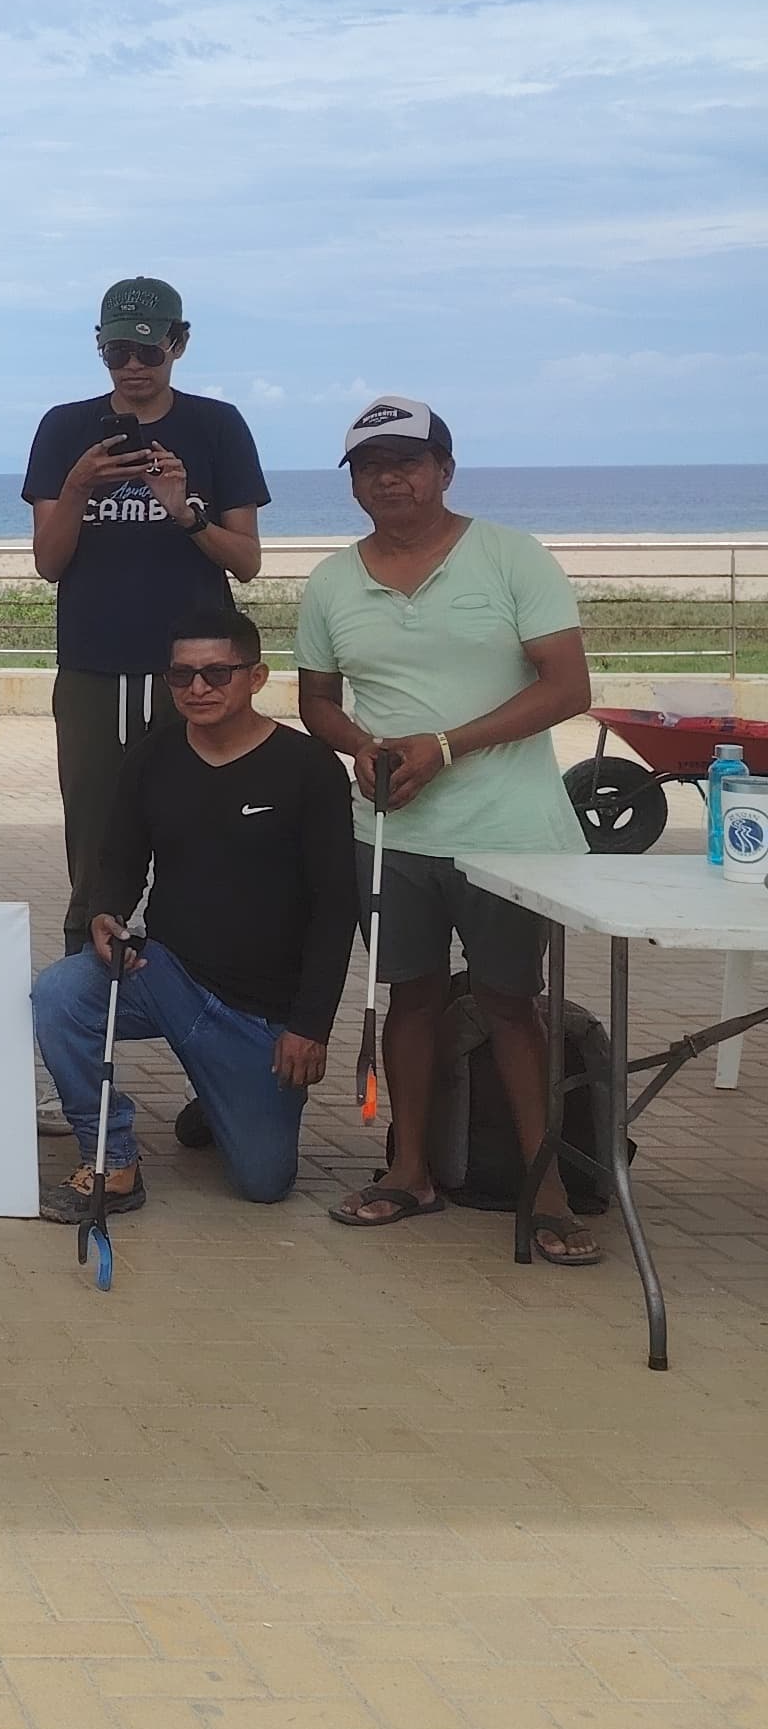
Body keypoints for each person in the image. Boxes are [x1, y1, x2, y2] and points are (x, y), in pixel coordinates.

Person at [293, 398, 596, 1256]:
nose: (388, 479)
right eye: (369, 466)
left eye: (407, 462)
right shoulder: (331, 581)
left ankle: (548, 1192)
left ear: (445, 470)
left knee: (511, 1005)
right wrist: (360, 746)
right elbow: (317, 701)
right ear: (353, 483)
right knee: (411, 998)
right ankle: (410, 1172)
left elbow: (568, 687)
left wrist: (447, 746)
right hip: (390, 835)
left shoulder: (512, 555)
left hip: (508, 835)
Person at [30, 609, 357, 1214]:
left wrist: (310, 1027)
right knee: (58, 993)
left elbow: (337, 906)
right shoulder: (151, 758)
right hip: (166, 976)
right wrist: (106, 911)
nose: (198, 688)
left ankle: (219, 1095)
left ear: (256, 677)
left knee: (264, 1184)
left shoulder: (310, 767)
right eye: (181, 675)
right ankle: (112, 1158)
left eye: (216, 673)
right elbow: (121, 859)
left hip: (258, 1011)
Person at [22, 276, 267, 942]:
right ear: (99, 349)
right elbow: (49, 563)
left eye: (148, 351)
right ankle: (89, 972)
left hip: (198, 670)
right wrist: (78, 485)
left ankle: (206, 968)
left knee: (207, 828)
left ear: (178, 344)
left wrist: (187, 514)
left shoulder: (216, 425)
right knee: (95, 841)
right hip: (94, 669)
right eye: (117, 353)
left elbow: (247, 561)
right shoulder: (65, 427)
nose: (133, 367)